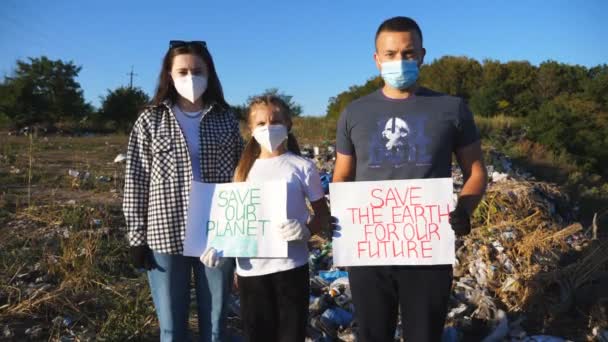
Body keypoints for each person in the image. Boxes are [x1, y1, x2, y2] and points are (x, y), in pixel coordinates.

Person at [332, 17, 488, 342]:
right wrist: (340, 217)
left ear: (422, 55)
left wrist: (465, 210)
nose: (399, 61)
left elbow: (476, 171)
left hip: (427, 251)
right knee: (373, 335)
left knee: (424, 335)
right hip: (369, 251)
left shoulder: (452, 109)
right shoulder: (354, 113)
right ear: (376, 59)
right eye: (390, 54)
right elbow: (343, 175)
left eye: (408, 53)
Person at [123, 40, 243, 342]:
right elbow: (136, 179)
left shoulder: (225, 117)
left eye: (197, 70)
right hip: (165, 232)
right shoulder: (150, 120)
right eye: (183, 71)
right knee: (171, 327)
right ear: (169, 75)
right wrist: (136, 237)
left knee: (215, 325)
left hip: (217, 232)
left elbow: (241, 176)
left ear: (209, 73)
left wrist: (244, 234)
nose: (191, 78)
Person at [200, 95, 330, 342]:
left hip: (291, 267)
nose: (268, 127)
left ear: (288, 124)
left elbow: (322, 214)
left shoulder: (302, 166)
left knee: (291, 335)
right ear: (250, 129)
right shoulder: (241, 170)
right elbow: (235, 219)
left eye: (276, 120)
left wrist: (306, 230)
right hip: (252, 271)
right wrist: (219, 247)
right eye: (260, 123)